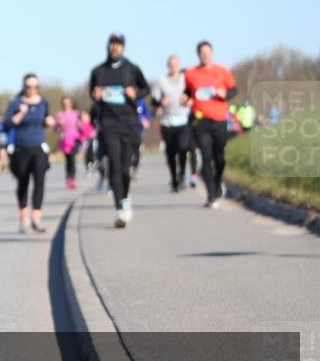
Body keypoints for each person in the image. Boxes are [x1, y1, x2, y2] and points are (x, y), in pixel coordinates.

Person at [89, 33, 150, 228]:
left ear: (123, 48)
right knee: (114, 164)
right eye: (112, 45)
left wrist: (136, 93)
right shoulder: (98, 71)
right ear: (108, 47)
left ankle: (124, 196)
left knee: (125, 168)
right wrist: (96, 95)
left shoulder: (131, 69)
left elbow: (145, 89)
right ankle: (120, 207)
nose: (115, 48)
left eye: (118, 45)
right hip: (109, 123)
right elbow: (94, 94)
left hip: (129, 123)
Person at [185, 40, 237, 208]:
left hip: (220, 119)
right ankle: (211, 194)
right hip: (200, 121)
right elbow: (187, 93)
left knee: (219, 158)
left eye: (207, 52)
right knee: (206, 157)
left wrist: (225, 95)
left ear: (212, 53)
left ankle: (217, 180)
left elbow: (234, 89)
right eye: (202, 52)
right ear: (198, 54)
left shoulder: (222, 71)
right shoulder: (191, 73)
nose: (205, 55)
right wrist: (185, 99)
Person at [3, 73, 55, 233]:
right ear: (23, 87)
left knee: (40, 181)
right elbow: (7, 124)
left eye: (35, 86)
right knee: (23, 182)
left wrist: (50, 121)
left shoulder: (43, 103)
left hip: (39, 146)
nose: (31, 89)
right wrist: (21, 113)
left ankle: (36, 219)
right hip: (21, 148)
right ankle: (24, 218)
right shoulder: (16, 103)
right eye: (28, 86)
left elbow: (47, 119)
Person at [150, 54, 193, 192]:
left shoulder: (185, 79)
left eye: (176, 64)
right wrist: (160, 103)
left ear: (179, 65)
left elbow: (192, 93)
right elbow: (153, 100)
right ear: (168, 66)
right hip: (167, 122)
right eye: (171, 64)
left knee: (183, 148)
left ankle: (181, 175)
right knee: (170, 152)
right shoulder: (161, 80)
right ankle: (174, 178)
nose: (173, 66)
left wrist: (188, 100)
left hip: (183, 120)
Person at [53, 96, 82, 189]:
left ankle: (72, 178)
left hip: (75, 138)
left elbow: (82, 126)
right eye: (64, 103)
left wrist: (80, 124)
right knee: (68, 159)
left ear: (71, 103)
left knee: (72, 158)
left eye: (68, 102)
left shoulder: (76, 113)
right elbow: (55, 129)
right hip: (65, 140)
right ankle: (68, 178)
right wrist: (59, 125)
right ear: (62, 104)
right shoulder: (59, 114)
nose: (66, 104)